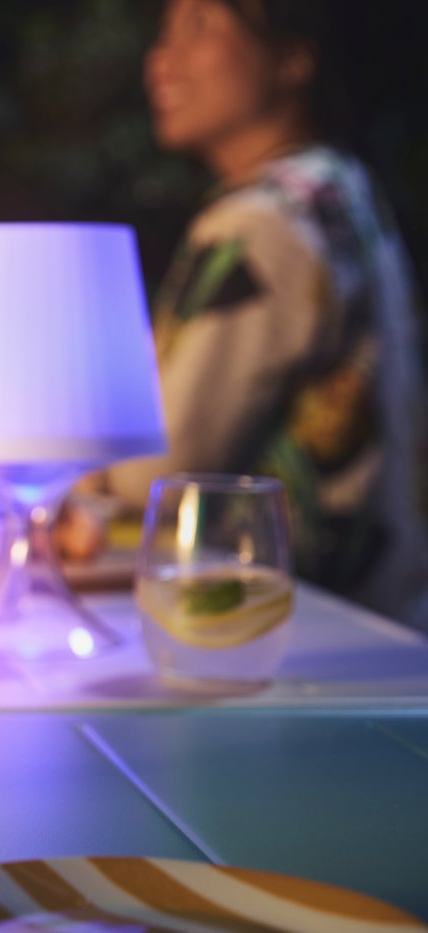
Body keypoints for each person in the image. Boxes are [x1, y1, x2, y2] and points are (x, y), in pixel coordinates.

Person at [107, 0, 427, 624]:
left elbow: (157, 465)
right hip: (383, 618)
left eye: (200, 24)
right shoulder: (339, 188)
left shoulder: (262, 222)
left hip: (289, 632)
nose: (161, 58)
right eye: (164, 32)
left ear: (292, 56)